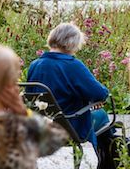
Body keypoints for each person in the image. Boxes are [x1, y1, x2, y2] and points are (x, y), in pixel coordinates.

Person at [27, 22, 113, 151]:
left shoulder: (35, 65)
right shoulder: (72, 65)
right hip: (70, 127)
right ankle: (110, 162)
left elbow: (30, 97)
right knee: (101, 114)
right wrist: (93, 100)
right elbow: (99, 94)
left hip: (40, 126)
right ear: (72, 43)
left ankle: (109, 160)